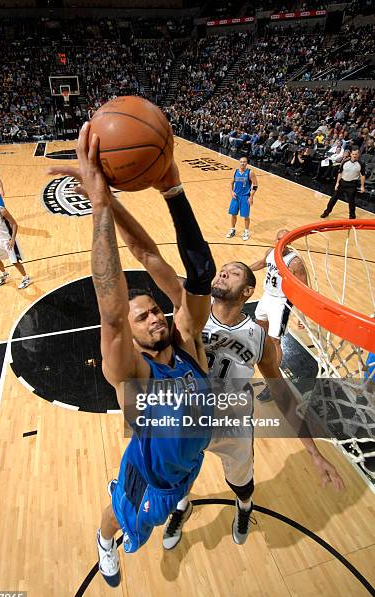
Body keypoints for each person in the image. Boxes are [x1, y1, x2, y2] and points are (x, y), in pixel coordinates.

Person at [106, 202, 344, 551]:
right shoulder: (187, 317)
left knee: (242, 482)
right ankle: (180, 509)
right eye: (222, 271)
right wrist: (110, 205)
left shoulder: (259, 336)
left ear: (248, 291)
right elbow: (148, 256)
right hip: (186, 424)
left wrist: (312, 452)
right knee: (179, 486)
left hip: (232, 424)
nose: (222, 274)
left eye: (233, 273)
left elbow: (282, 394)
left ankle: (244, 507)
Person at [48, 123, 216, 587]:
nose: (155, 318)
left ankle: (180, 500)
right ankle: (105, 543)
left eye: (155, 311)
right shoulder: (131, 377)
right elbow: (112, 311)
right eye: (143, 318)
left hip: (190, 462)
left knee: (190, 282)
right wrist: (100, 205)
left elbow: (162, 260)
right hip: (150, 480)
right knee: (119, 516)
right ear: (134, 336)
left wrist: (173, 190)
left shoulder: (187, 345)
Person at [250, 229, 308, 402]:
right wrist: (244, 269)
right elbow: (262, 263)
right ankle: (260, 359)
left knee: (275, 340)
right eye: (278, 239)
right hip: (267, 296)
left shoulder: (294, 262)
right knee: (260, 332)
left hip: (281, 302)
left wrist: (302, 316)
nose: (280, 242)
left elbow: (303, 289)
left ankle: (273, 383)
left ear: (288, 242)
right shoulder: (270, 252)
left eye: (283, 240)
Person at [0, 192, 31, 289]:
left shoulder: (2, 211)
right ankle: (4, 274)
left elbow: (14, 224)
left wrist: (12, 240)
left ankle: (26, 278)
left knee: (15, 262)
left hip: (7, 239)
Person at [320, 148, 366, 220]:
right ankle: (326, 212)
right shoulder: (345, 161)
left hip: (352, 185)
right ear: (350, 154)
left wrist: (362, 186)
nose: (354, 156)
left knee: (351, 202)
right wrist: (337, 183)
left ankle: (352, 217)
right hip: (342, 183)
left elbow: (363, 175)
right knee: (333, 199)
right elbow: (340, 173)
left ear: (358, 155)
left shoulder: (361, 164)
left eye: (356, 154)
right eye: (353, 154)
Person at [226, 156, 258, 241]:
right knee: (233, 214)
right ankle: (232, 230)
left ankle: (246, 231)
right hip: (236, 196)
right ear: (239, 162)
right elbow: (231, 183)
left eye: (244, 162)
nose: (242, 163)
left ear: (247, 163)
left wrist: (251, 197)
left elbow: (255, 186)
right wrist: (232, 192)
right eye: (241, 162)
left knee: (245, 216)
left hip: (245, 197)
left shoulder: (250, 173)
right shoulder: (236, 171)